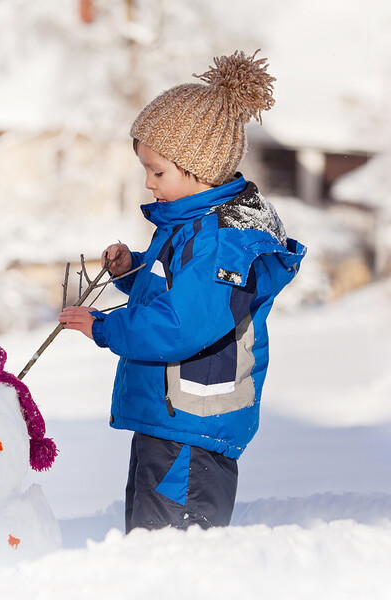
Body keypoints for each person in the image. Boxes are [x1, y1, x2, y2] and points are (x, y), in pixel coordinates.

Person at [59, 50, 306, 533]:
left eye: (159, 172)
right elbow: (177, 291)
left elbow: (183, 324)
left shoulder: (218, 240)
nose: (149, 185)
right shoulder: (192, 224)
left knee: (174, 550)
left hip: (192, 422)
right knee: (149, 541)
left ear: (201, 167)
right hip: (172, 417)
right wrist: (132, 271)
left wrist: (104, 327)